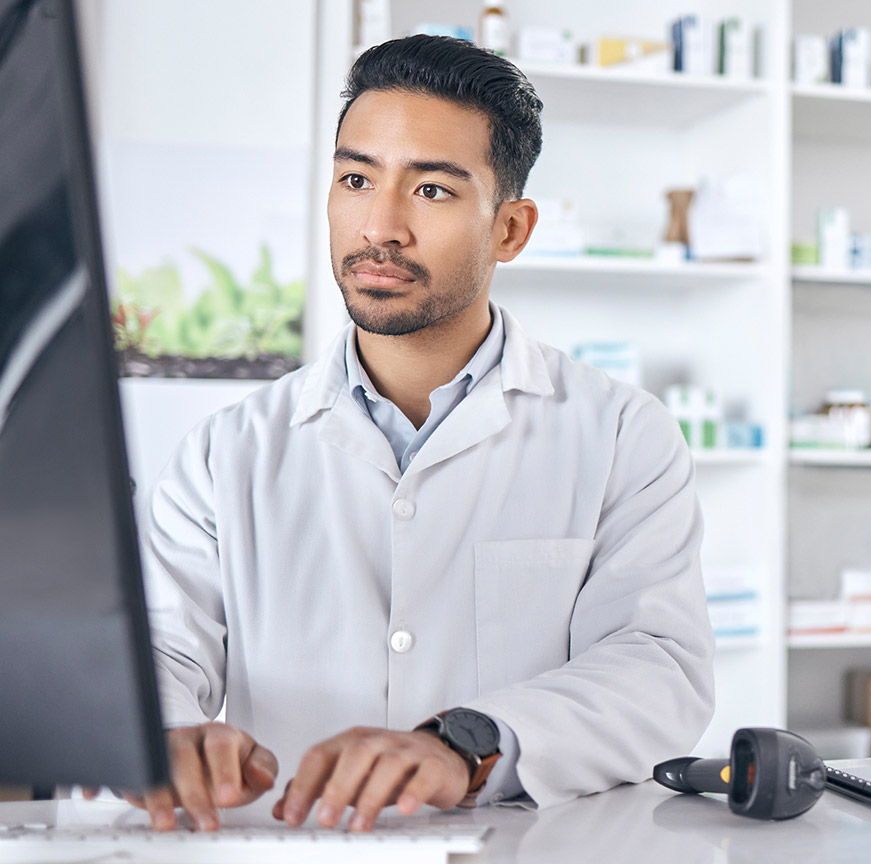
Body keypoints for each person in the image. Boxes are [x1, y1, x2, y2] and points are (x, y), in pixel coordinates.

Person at [116, 35, 714, 833]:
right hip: (292, 846)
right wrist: (163, 733)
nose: (380, 225)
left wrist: (463, 744)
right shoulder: (228, 450)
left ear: (509, 231)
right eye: (356, 179)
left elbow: (657, 667)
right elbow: (161, 647)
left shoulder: (619, 434)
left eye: (431, 190)